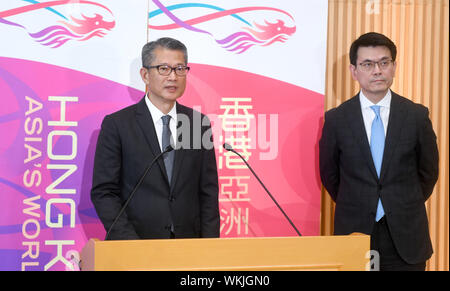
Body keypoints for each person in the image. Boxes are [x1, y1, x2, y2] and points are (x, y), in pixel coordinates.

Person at [319, 32, 439, 271]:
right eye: (368, 64)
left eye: (384, 63)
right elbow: (329, 175)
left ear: (394, 66)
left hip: (406, 235)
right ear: (354, 71)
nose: (377, 71)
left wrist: (400, 201)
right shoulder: (337, 119)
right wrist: (360, 200)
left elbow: (428, 173)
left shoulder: (416, 116)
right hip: (355, 233)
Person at [91, 37, 220, 240]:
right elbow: (104, 192)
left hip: (189, 247)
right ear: (145, 75)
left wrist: (209, 247)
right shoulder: (118, 124)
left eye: (180, 68)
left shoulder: (198, 124)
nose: (173, 77)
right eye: (163, 68)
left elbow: (208, 193)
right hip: (134, 245)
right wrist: (131, 243)